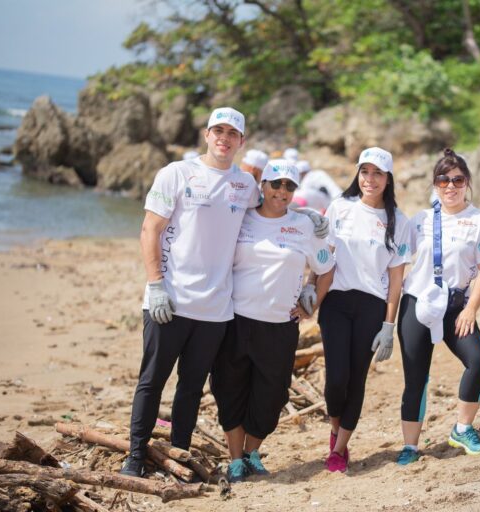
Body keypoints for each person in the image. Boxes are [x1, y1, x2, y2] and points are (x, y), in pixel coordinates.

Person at [120, 107, 261, 477]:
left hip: (215, 309)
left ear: (241, 142)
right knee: (151, 381)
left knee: (191, 388)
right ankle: (134, 456)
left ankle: (178, 457)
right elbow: (150, 229)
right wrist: (155, 286)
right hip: (169, 300)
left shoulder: (245, 186)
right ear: (206, 134)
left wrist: (308, 219)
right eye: (218, 130)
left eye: (232, 133)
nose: (224, 138)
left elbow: (269, 215)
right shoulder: (176, 173)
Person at [210, 160, 335, 482]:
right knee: (229, 389)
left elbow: (326, 267)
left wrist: (312, 301)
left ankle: (253, 451)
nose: (281, 191)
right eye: (275, 184)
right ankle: (235, 458)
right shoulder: (241, 219)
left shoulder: (305, 226)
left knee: (272, 394)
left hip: (280, 325)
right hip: (234, 319)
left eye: (289, 186)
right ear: (262, 186)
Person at [395, 148, 480, 465]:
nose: (450, 186)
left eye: (457, 179)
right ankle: (410, 447)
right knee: (416, 378)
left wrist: (471, 310)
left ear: (467, 182)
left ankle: (462, 428)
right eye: (443, 180)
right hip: (417, 303)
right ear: (434, 184)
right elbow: (397, 262)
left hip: (456, 306)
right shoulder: (420, 220)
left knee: (478, 359)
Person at [314, 147, 412, 473]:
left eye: (377, 173)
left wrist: (389, 325)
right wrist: (310, 292)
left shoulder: (398, 221)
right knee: (336, 379)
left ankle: (339, 449)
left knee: (356, 379)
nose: (370, 179)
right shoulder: (340, 208)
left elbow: (396, 279)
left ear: (388, 179)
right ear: (358, 174)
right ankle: (333, 430)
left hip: (372, 306)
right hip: (336, 303)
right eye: (365, 171)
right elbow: (324, 258)